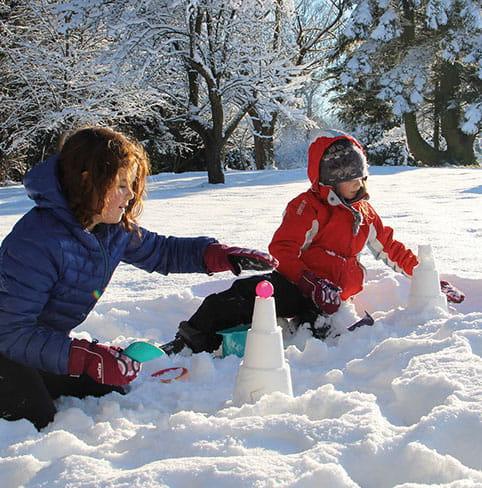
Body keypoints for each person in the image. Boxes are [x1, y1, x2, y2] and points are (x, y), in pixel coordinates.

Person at [0, 126, 278, 430]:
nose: (130, 194)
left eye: (131, 184)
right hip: (6, 348)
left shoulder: (110, 231)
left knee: (108, 386)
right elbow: (11, 332)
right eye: (120, 184)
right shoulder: (37, 241)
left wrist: (220, 256)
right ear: (87, 180)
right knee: (35, 420)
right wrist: (86, 355)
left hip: (32, 343)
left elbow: (162, 251)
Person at [163, 130, 464, 355]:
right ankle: (193, 337)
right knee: (243, 296)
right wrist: (311, 282)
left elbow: (392, 250)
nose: (356, 183)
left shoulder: (366, 214)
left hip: (334, 298)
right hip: (297, 285)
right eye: (348, 176)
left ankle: (312, 338)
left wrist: (430, 278)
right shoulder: (308, 207)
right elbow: (282, 249)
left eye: (359, 176)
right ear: (327, 177)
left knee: (319, 324)